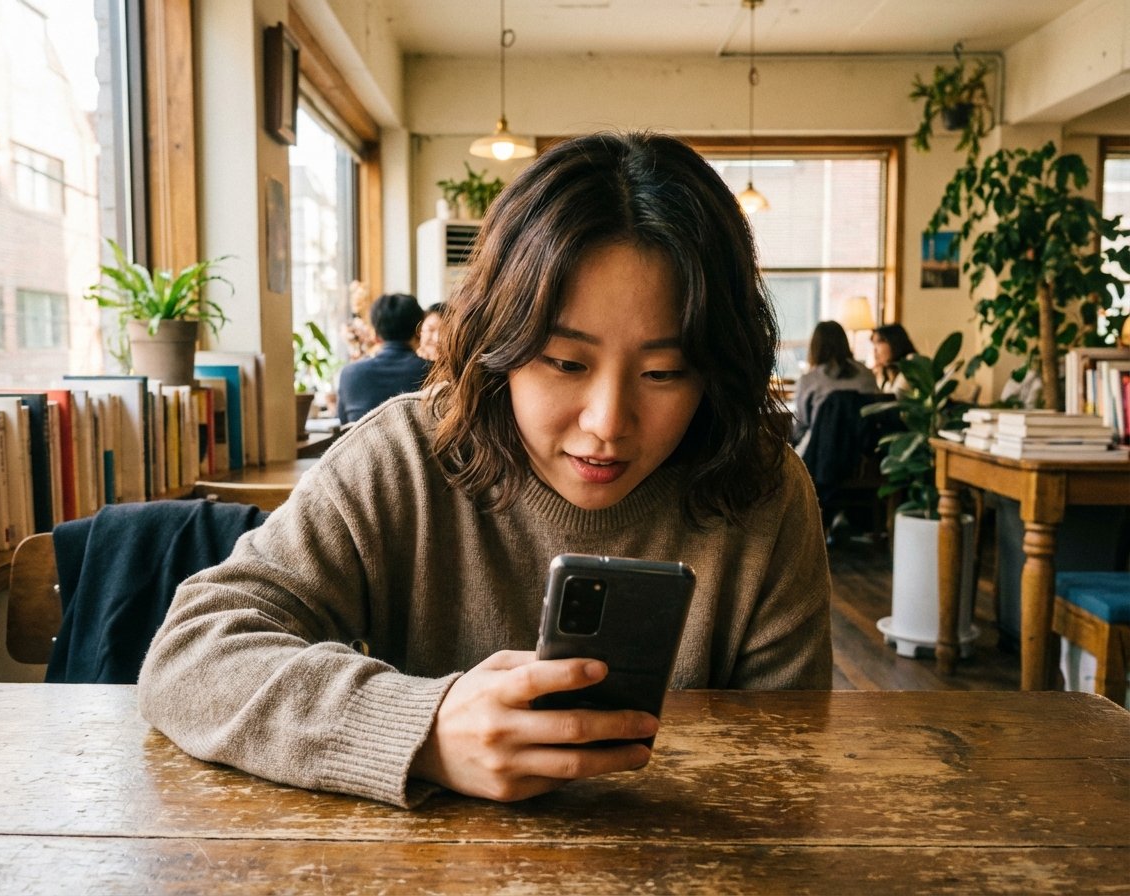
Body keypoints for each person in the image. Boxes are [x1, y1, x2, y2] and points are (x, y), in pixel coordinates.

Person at [138, 131, 833, 809]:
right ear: (498, 343)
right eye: (565, 362)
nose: (608, 422)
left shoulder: (761, 490)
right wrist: (423, 728)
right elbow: (192, 654)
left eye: (664, 372)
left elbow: (788, 765)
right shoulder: (407, 454)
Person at [336, 292, 431, 423]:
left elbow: (343, 425)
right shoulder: (432, 371)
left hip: (363, 444)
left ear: (375, 333)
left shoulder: (349, 373)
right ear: (419, 329)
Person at [791, 320, 878, 454]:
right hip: (864, 455)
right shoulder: (867, 375)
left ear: (815, 347)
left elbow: (801, 424)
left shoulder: (808, 380)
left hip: (822, 455)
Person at [871, 323, 918, 395]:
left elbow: (894, 400)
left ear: (894, 342)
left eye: (879, 343)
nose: (874, 349)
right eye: (874, 344)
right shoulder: (886, 372)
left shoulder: (911, 362)